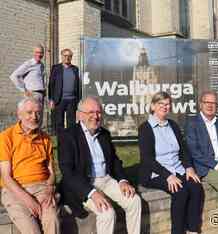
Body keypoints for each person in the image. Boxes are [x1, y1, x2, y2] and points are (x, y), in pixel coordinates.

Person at [58, 96, 141, 234]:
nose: (95, 116)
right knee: (107, 213)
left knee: (135, 201)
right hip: (84, 182)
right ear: (80, 115)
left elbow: (114, 161)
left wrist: (123, 180)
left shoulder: (104, 134)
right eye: (91, 112)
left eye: (98, 112)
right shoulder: (68, 136)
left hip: (106, 180)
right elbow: (68, 172)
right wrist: (92, 193)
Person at [138, 91, 204, 234]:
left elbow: (183, 150)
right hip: (156, 173)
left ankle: (193, 230)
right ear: (153, 106)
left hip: (177, 169)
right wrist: (168, 176)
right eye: (161, 103)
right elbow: (147, 159)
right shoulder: (145, 128)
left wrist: (189, 168)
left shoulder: (172, 125)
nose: (165, 106)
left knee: (196, 187)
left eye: (167, 104)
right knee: (180, 192)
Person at [0, 97, 60, 234]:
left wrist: (50, 187)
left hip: (42, 188)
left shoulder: (45, 138)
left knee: (53, 220)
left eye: (38, 113)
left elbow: (51, 173)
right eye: (29, 112)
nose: (34, 117)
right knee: (32, 231)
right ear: (19, 114)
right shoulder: (6, 137)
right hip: (15, 190)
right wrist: (27, 199)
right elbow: (6, 177)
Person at [185, 90, 218, 218]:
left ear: (217, 106)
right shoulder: (192, 123)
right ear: (200, 104)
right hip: (205, 167)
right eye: (206, 102)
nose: (210, 105)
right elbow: (194, 152)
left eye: (213, 103)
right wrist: (217, 166)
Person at [10, 44, 46, 125]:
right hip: (32, 94)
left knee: (39, 117)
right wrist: (24, 90)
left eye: (41, 53)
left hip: (41, 94)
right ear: (34, 53)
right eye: (37, 52)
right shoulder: (29, 63)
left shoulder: (42, 65)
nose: (39, 55)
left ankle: (38, 136)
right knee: (31, 118)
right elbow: (14, 76)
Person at [48, 48, 80, 134]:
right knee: (59, 123)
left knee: (71, 123)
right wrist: (51, 99)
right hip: (59, 99)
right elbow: (51, 84)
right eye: (65, 56)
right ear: (61, 56)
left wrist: (79, 100)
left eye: (69, 56)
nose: (67, 58)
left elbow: (78, 85)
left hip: (72, 100)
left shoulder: (75, 69)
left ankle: (71, 142)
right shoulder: (55, 68)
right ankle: (61, 142)